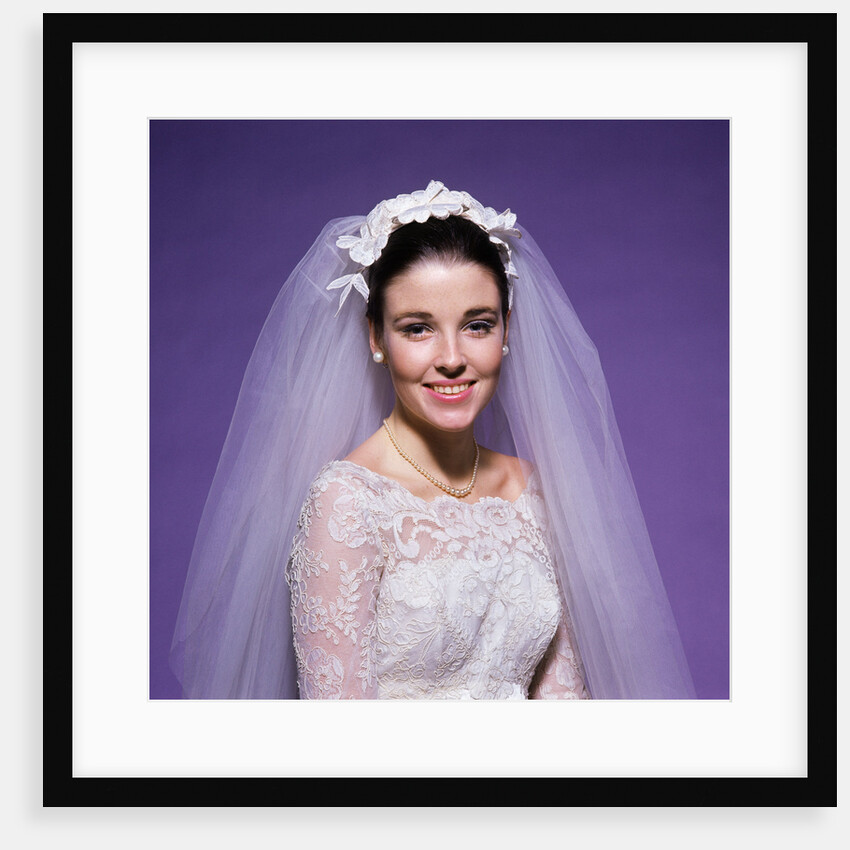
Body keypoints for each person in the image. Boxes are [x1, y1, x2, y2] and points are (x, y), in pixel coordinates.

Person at [170, 181, 696, 700]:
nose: (450, 357)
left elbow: (564, 700)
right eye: (418, 328)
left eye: (477, 325)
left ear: (507, 331)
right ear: (376, 337)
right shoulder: (347, 502)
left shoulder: (535, 491)